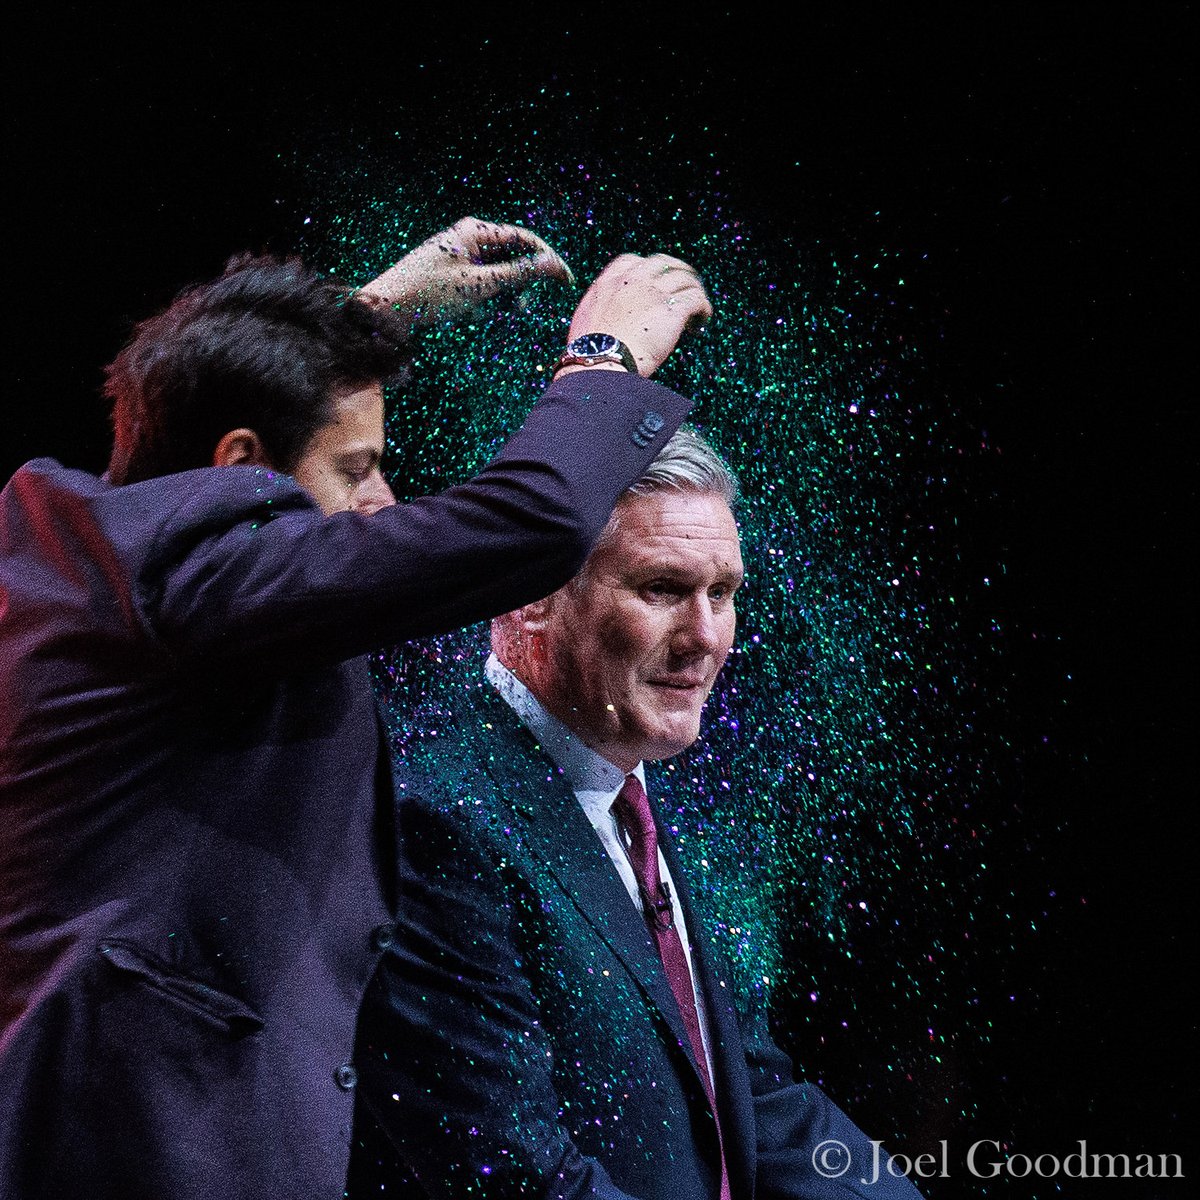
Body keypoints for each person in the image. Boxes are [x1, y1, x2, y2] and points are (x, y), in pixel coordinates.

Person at [0, 218, 711, 1200]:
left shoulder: (98, 559)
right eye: (355, 468)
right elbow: (527, 524)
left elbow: (184, 427)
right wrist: (604, 359)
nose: (383, 502)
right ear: (240, 462)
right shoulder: (164, 568)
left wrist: (351, 320)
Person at [350, 428, 924, 1198]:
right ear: (531, 598)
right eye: (662, 589)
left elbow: (744, 1093)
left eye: (722, 594)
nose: (706, 638)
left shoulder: (648, 776)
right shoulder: (436, 817)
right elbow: (518, 1178)